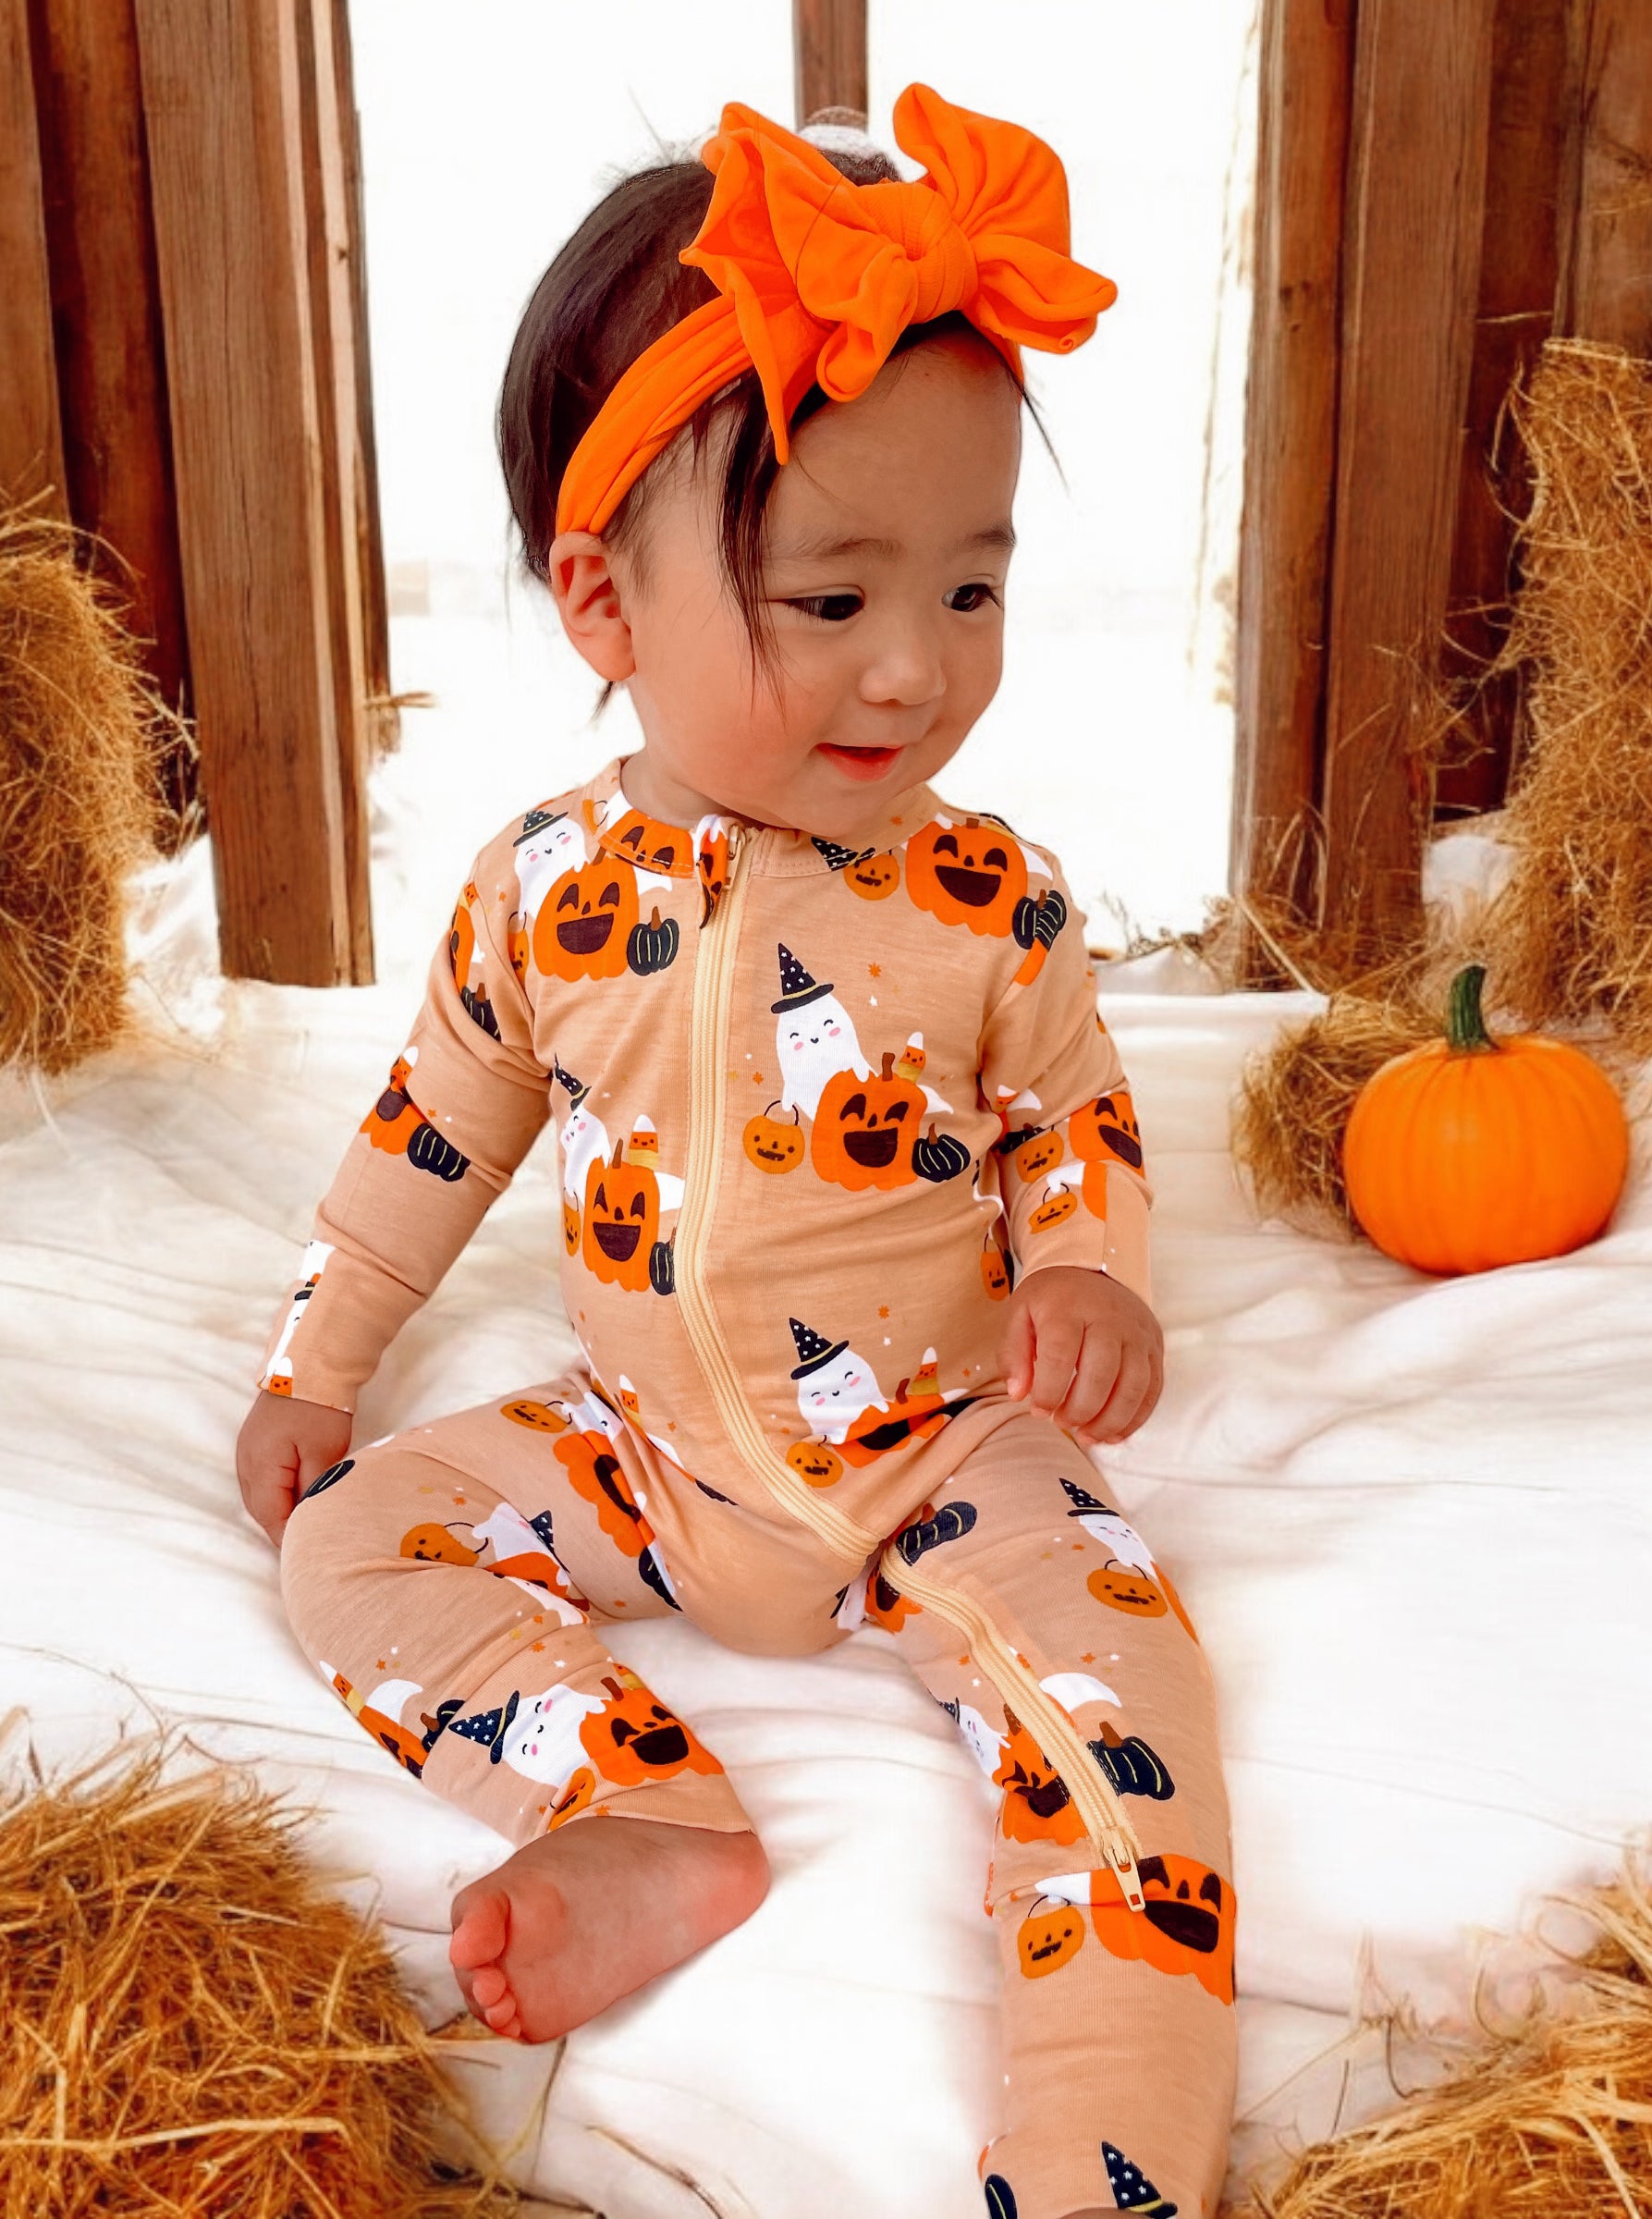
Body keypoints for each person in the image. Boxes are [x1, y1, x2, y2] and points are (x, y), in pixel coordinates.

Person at [236, 83, 1235, 2219]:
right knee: (344, 1550)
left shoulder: (997, 902)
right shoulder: (543, 889)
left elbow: (1072, 1117)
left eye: (972, 588)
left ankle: (1105, 2161)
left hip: (953, 1449)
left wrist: (1091, 1275)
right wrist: (320, 1364)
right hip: (643, 1454)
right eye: (829, 596)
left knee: (1131, 1710)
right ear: (604, 601)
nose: (916, 668)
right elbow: (433, 1131)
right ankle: (644, 1813)